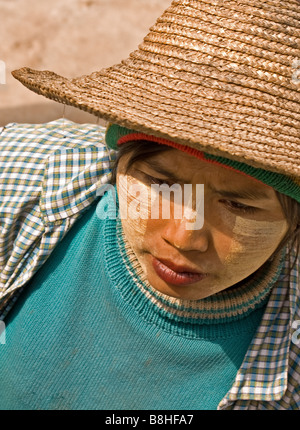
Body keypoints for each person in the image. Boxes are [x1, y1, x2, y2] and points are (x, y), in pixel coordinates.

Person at [0, 0, 299, 410]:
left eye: (239, 206)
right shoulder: (22, 179)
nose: (184, 237)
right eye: (161, 184)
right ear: (118, 159)